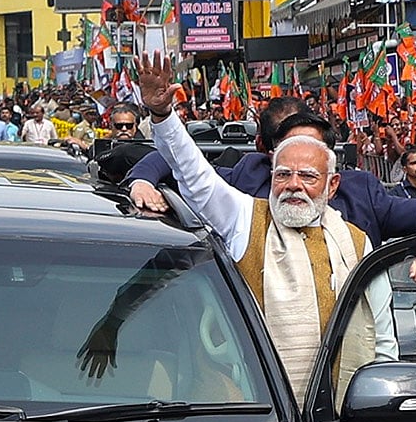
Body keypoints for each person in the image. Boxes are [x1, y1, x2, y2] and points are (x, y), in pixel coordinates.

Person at [136, 51, 381, 402]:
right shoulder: (247, 220)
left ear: (332, 185)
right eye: (283, 174)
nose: (293, 184)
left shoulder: (356, 244)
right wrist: (163, 115)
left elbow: (381, 339)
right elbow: (195, 176)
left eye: (308, 176)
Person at [124, 96, 416, 289]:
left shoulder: (362, 201)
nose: (295, 182)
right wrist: (142, 182)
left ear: (332, 177)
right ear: (271, 160)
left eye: (310, 166)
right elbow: (186, 168)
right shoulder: (245, 193)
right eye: (286, 168)